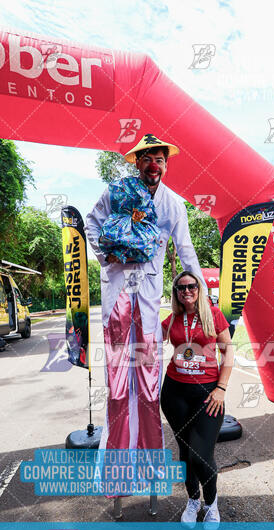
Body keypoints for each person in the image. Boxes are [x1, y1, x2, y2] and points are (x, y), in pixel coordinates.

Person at [85, 134, 206, 461]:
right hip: (118, 289)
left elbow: (186, 251)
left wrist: (202, 296)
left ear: (166, 165)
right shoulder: (117, 192)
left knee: (148, 371)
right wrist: (105, 258)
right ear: (137, 162)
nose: (154, 165)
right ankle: (118, 452)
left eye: (160, 160)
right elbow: (91, 225)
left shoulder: (173, 204)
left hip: (150, 296)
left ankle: (148, 454)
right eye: (148, 159)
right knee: (119, 372)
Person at [161, 271, 233, 530]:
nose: (186, 291)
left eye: (191, 286)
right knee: (184, 452)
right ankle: (193, 500)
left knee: (200, 455)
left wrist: (222, 388)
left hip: (208, 394)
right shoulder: (173, 318)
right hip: (174, 392)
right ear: (176, 293)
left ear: (199, 289)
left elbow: (228, 351)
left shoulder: (213, 315)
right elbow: (152, 336)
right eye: (181, 288)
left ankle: (211, 503)